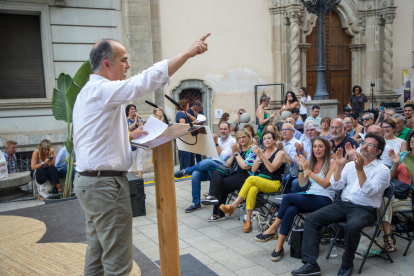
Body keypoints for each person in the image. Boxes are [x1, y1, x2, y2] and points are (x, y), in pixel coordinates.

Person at [73, 34, 210, 275]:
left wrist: (128, 136)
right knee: (119, 264)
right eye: (123, 60)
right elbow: (144, 81)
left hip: (88, 182)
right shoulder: (103, 89)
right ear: (107, 63)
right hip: (105, 186)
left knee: (96, 256)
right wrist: (187, 54)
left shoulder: (88, 91)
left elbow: (92, 140)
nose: (128, 66)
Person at [291, 133, 389, 276]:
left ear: (378, 151)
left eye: (370, 145)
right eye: (365, 143)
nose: (365, 147)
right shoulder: (350, 165)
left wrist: (360, 169)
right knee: (311, 219)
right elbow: (337, 186)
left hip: (364, 209)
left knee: (352, 226)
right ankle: (310, 264)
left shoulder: (382, 170)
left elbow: (368, 191)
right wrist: (338, 166)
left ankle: (347, 264)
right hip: (343, 204)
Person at [254, 137, 337, 262]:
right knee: (291, 210)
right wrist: (300, 168)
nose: (317, 149)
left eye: (320, 146)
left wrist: (308, 171)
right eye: (315, 146)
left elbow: (326, 184)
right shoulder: (312, 163)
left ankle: (272, 229)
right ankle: (278, 247)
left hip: (324, 199)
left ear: (326, 148)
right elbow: (302, 184)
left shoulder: (332, 162)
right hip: (311, 195)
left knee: (287, 197)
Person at [220, 131, 285, 232]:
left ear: (274, 140)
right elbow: (254, 169)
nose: (267, 140)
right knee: (252, 189)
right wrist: (258, 158)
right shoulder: (262, 152)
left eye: (269, 138)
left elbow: (272, 169)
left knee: (251, 179)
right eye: (264, 139)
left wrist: (262, 156)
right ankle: (248, 221)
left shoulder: (280, 153)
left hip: (274, 183)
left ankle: (233, 205)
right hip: (261, 181)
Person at [174, 121, 235, 212]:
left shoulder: (232, 141)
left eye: (225, 129)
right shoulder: (216, 139)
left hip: (223, 169)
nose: (223, 131)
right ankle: (196, 203)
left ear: (229, 130)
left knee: (207, 162)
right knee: (195, 174)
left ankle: (186, 171)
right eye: (221, 129)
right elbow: (210, 156)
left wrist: (215, 144)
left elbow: (223, 156)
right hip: (211, 167)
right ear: (218, 130)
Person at [201, 129, 256, 221]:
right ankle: (211, 196)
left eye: (244, 137)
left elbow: (244, 166)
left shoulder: (252, 150)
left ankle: (218, 214)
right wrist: (234, 154)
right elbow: (228, 164)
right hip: (234, 172)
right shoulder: (238, 148)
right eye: (239, 138)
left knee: (223, 183)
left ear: (248, 138)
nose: (241, 139)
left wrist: (237, 153)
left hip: (246, 176)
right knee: (216, 172)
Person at [380, 135, 414, 252]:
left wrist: (410, 166)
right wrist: (395, 164)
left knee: (383, 206)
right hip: (397, 193)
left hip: (410, 197)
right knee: (381, 201)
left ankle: (388, 238)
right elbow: (392, 177)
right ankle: (388, 238)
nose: (413, 139)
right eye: (413, 137)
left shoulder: (409, 159)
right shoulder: (403, 155)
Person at [291, 121, 321, 192]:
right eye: (307, 130)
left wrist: (303, 151)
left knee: (295, 183)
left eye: (312, 130)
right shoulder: (305, 142)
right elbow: (301, 159)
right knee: (287, 178)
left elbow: (315, 160)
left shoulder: (321, 143)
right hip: (304, 169)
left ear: (318, 132)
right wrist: (299, 154)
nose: (309, 132)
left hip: (316, 171)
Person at [176, 98, 198, 170]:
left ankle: (189, 171)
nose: (188, 107)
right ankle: (184, 171)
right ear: (184, 105)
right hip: (184, 138)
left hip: (189, 137)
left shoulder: (184, 113)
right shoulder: (179, 113)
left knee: (190, 155)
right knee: (185, 156)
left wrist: (188, 114)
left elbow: (195, 119)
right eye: (188, 105)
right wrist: (193, 123)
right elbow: (183, 125)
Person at [126, 104, 145, 178]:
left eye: (134, 109)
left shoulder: (139, 118)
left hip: (139, 141)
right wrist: (135, 121)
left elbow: (142, 127)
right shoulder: (126, 119)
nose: (134, 111)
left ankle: (140, 178)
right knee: (131, 161)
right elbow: (129, 129)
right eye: (132, 109)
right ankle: (131, 178)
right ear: (128, 111)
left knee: (139, 160)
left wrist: (138, 119)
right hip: (131, 142)